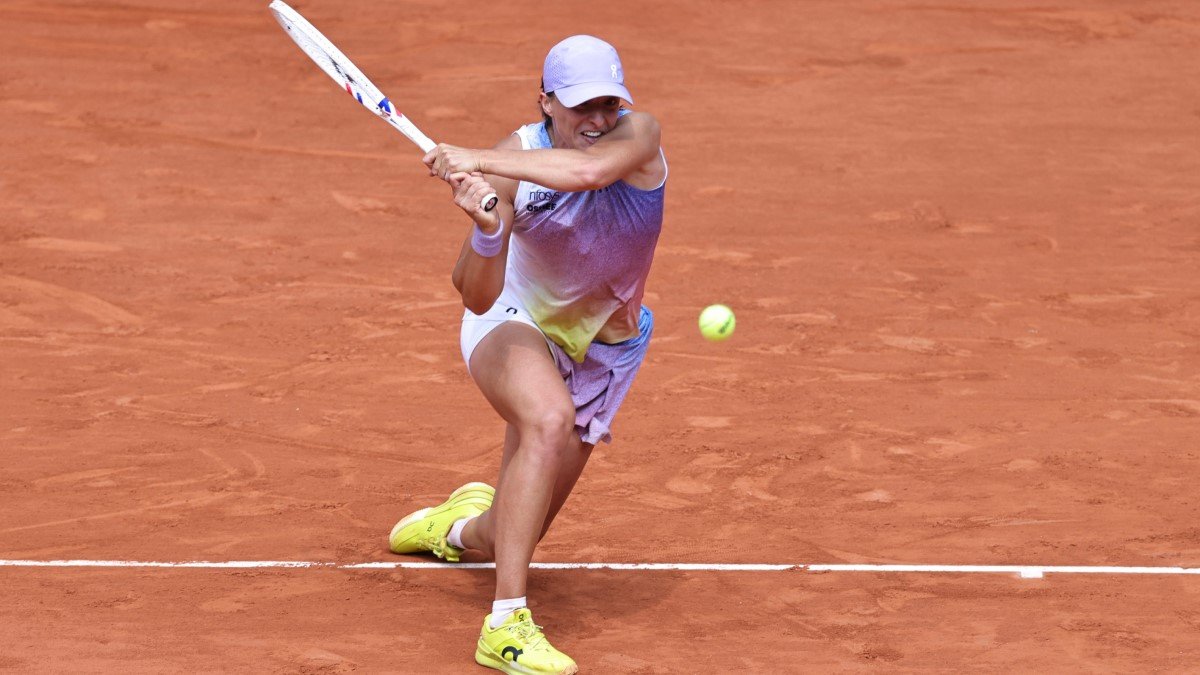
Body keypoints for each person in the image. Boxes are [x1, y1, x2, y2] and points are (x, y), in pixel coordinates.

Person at [388, 34, 667, 675]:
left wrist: (480, 160)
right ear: (545, 102)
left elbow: (589, 174)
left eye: (608, 104)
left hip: (606, 352)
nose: (598, 119)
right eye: (580, 106)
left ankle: (455, 529)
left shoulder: (640, 136)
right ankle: (505, 626)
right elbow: (475, 295)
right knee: (547, 418)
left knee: (512, 533)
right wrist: (489, 231)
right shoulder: (513, 158)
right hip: (516, 323)